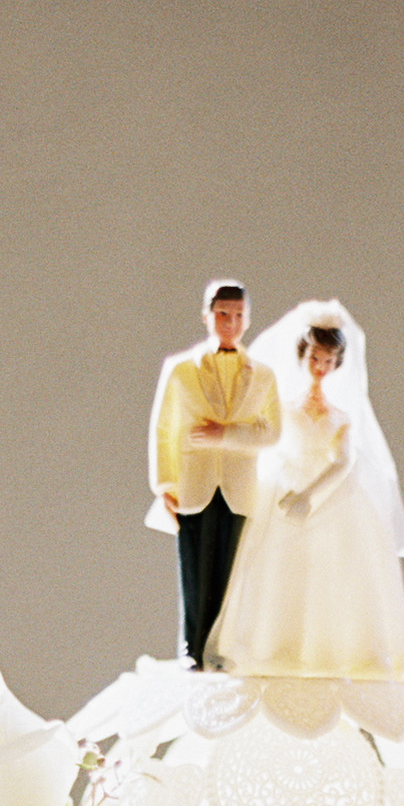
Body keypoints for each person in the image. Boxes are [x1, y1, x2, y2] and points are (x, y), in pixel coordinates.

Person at [208, 301, 404, 682]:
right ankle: (277, 648)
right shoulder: (285, 408)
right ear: (304, 356)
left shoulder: (341, 417)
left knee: (332, 572)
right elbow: (266, 440)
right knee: (278, 571)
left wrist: (310, 494)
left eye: (329, 361)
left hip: (327, 496)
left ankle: (330, 651)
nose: (321, 368)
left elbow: (342, 463)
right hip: (284, 487)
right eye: (316, 359)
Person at [145, 279, 281, 668]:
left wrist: (228, 434)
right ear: (207, 316)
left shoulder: (263, 375)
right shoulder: (181, 369)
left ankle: (220, 649)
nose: (230, 323)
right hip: (194, 481)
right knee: (195, 567)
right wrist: (165, 484)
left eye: (238, 316)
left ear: (248, 320)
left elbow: (272, 432)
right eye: (223, 314)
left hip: (240, 485)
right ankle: (192, 648)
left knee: (230, 569)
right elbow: (164, 428)